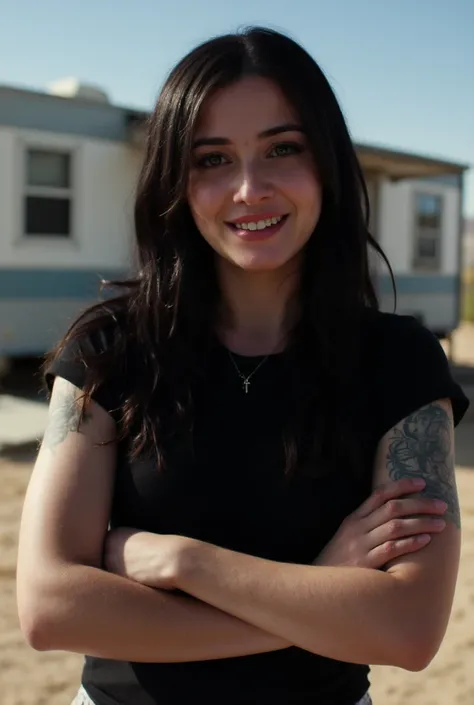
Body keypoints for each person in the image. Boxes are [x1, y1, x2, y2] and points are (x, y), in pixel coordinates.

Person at [17, 26, 469, 705]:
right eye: (212, 159)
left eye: (283, 149)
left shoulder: (400, 363)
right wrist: (318, 585)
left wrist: (185, 561)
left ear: (327, 165)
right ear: (176, 180)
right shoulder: (111, 350)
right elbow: (51, 607)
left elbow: (407, 629)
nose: (249, 188)